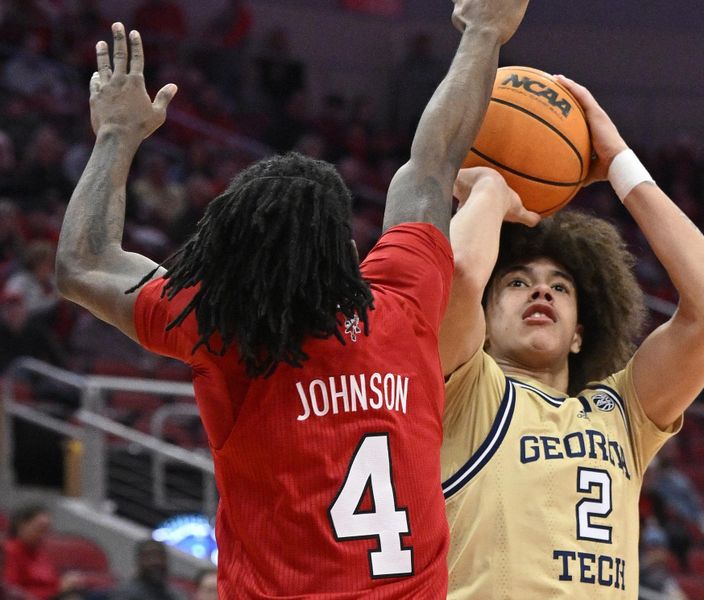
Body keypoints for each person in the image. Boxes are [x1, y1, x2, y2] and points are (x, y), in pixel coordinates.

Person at [55, 2, 529, 597]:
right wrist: (484, 34)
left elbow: (83, 264)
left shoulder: (223, 330)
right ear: (338, 241)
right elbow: (430, 168)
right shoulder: (401, 302)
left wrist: (117, 135)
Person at [438, 75, 704, 598]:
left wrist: (620, 160)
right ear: (482, 323)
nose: (541, 292)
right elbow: (462, 273)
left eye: (560, 286)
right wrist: (488, 190)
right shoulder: (462, 387)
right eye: (516, 282)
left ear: (580, 334)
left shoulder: (621, 414)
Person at [2, 505, 84, 600]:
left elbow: (51, 581)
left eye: (47, 530)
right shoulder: (9, 551)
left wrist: (65, 583)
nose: (44, 535)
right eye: (40, 529)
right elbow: (11, 593)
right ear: (21, 525)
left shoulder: (39, 551)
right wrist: (57, 588)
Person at [110, 540, 185, 600]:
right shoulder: (125, 593)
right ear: (138, 562)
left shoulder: (176, 594)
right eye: (150, 556)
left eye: (161, 556)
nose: (156, 562)